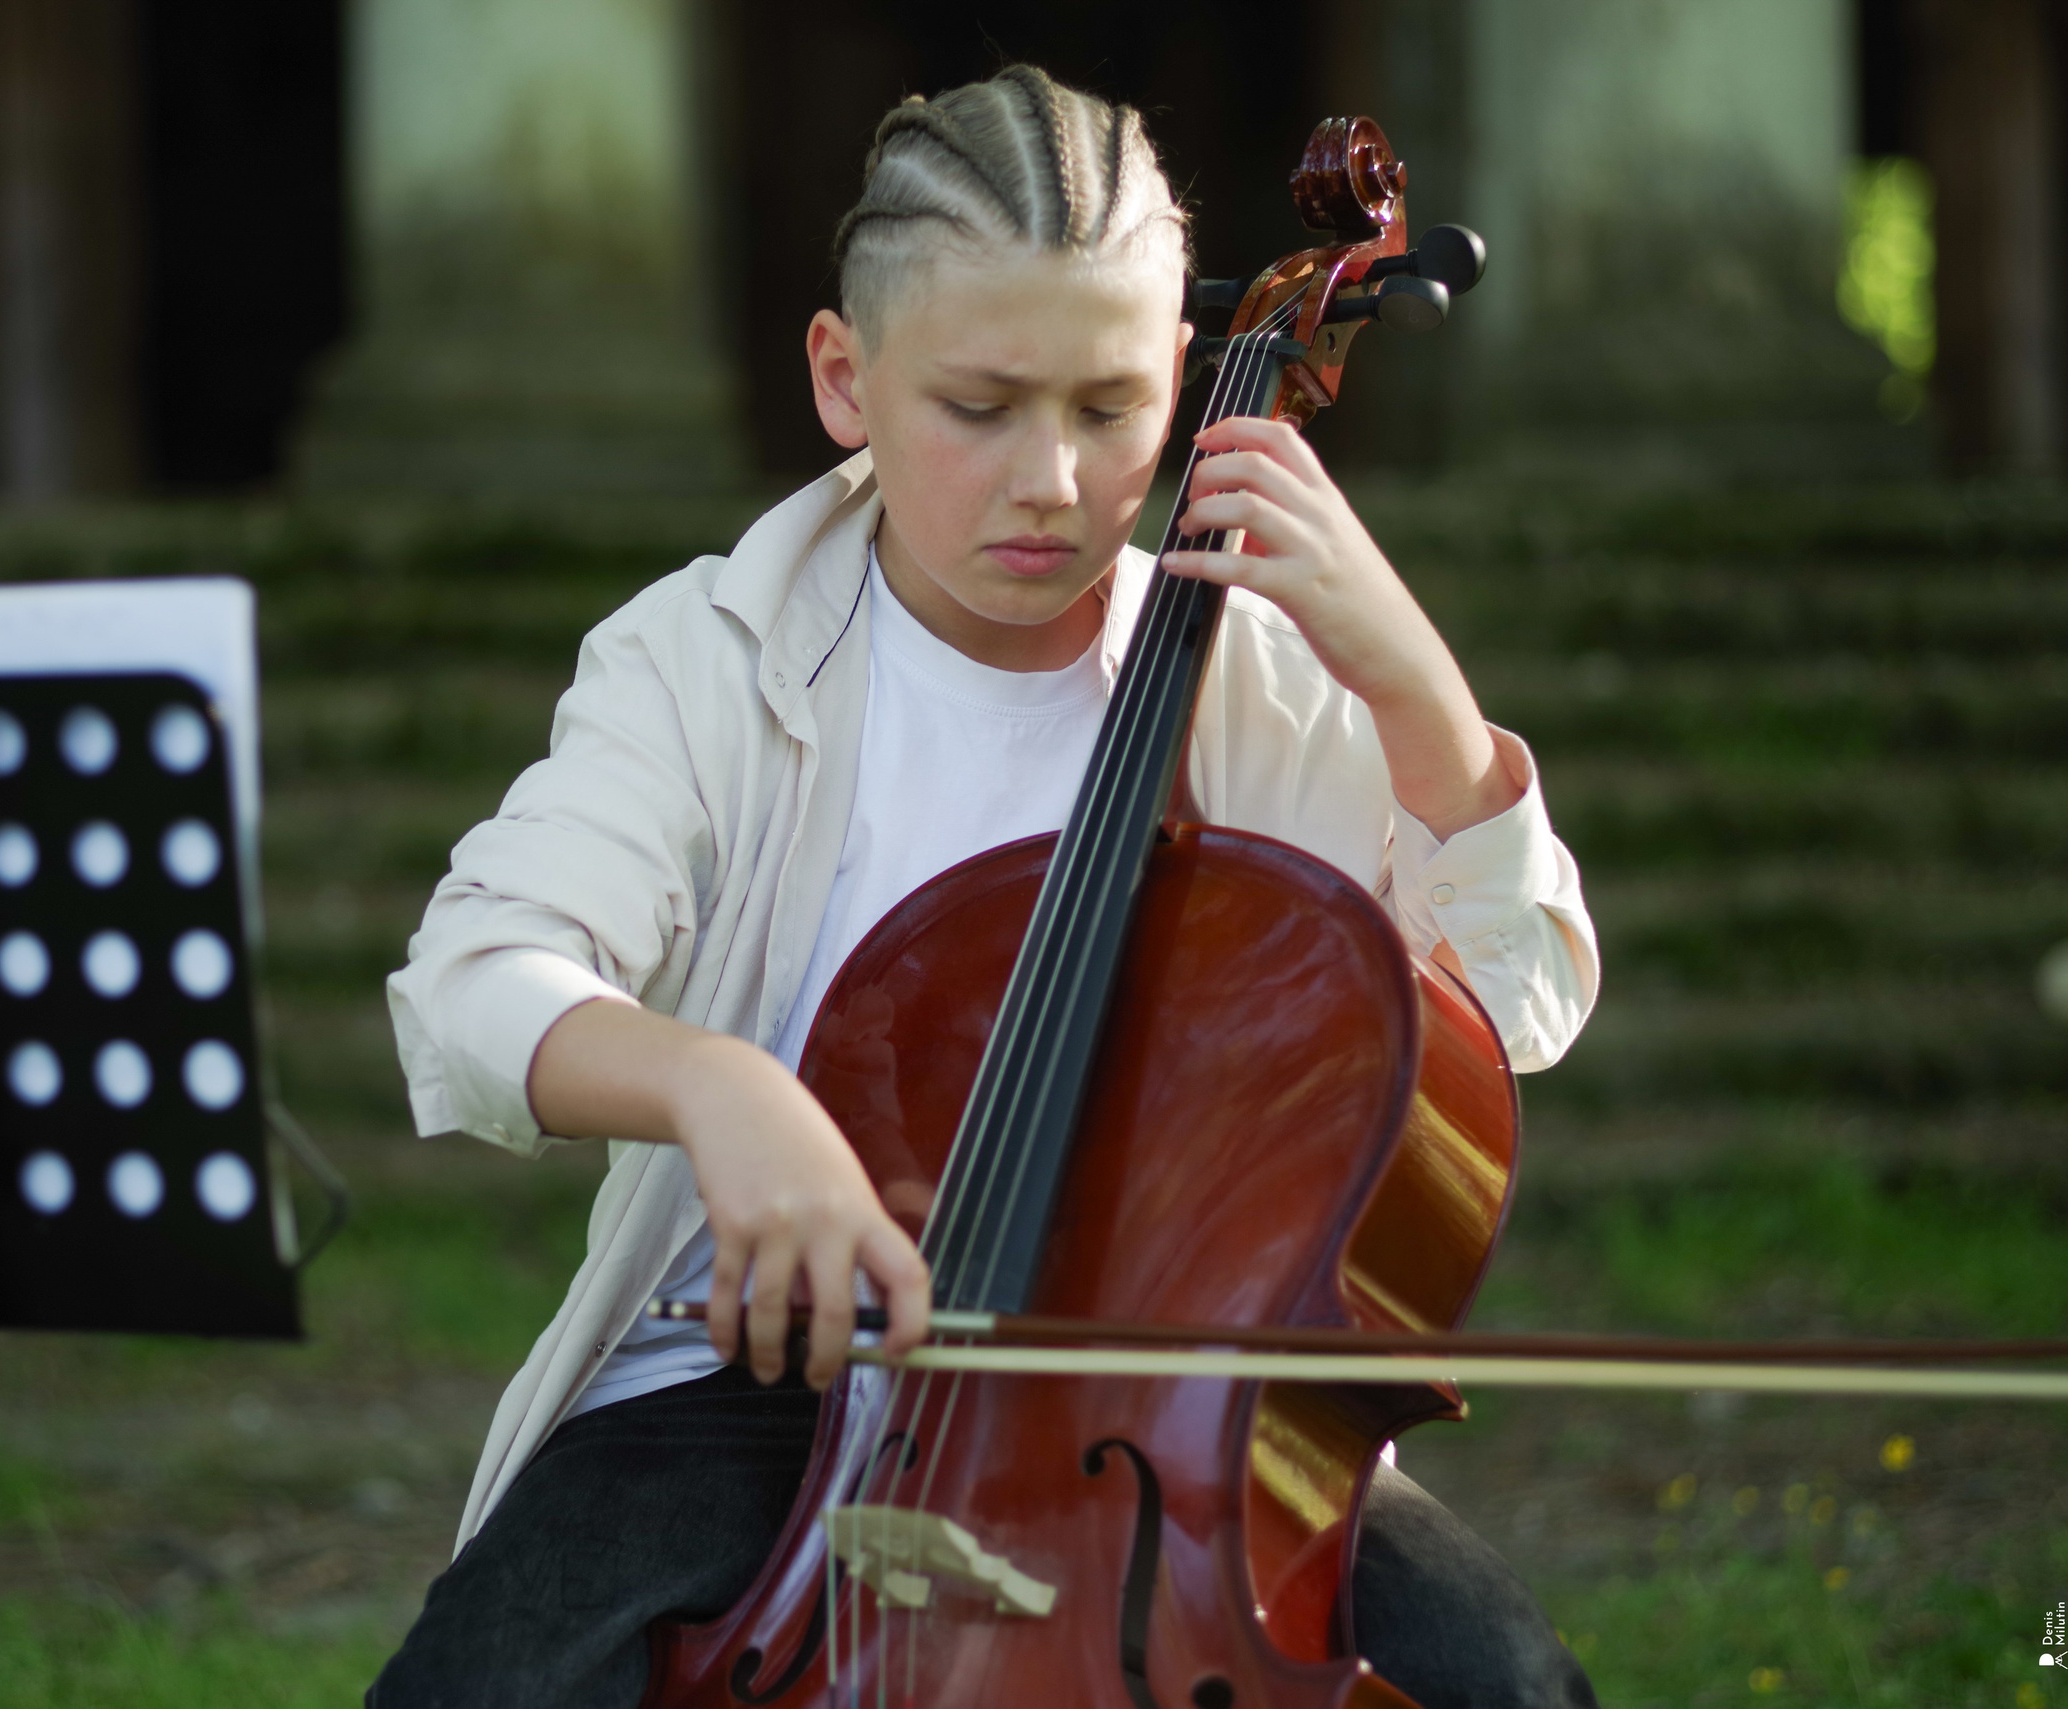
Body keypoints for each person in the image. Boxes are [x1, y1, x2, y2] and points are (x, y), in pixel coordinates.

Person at [372, 65, 1603, 1709]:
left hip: (1171, 1417)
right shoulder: (704, 655)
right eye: (981, 406)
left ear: (1184, 379)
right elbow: (475, 979)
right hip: (757, 1380)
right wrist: (720, 1089)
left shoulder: (1258, 678)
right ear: (845, 378)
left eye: (1109, 411)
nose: (1052, 479)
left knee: (1506, 1687)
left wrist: (1422, 702)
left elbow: (1505, 1012)